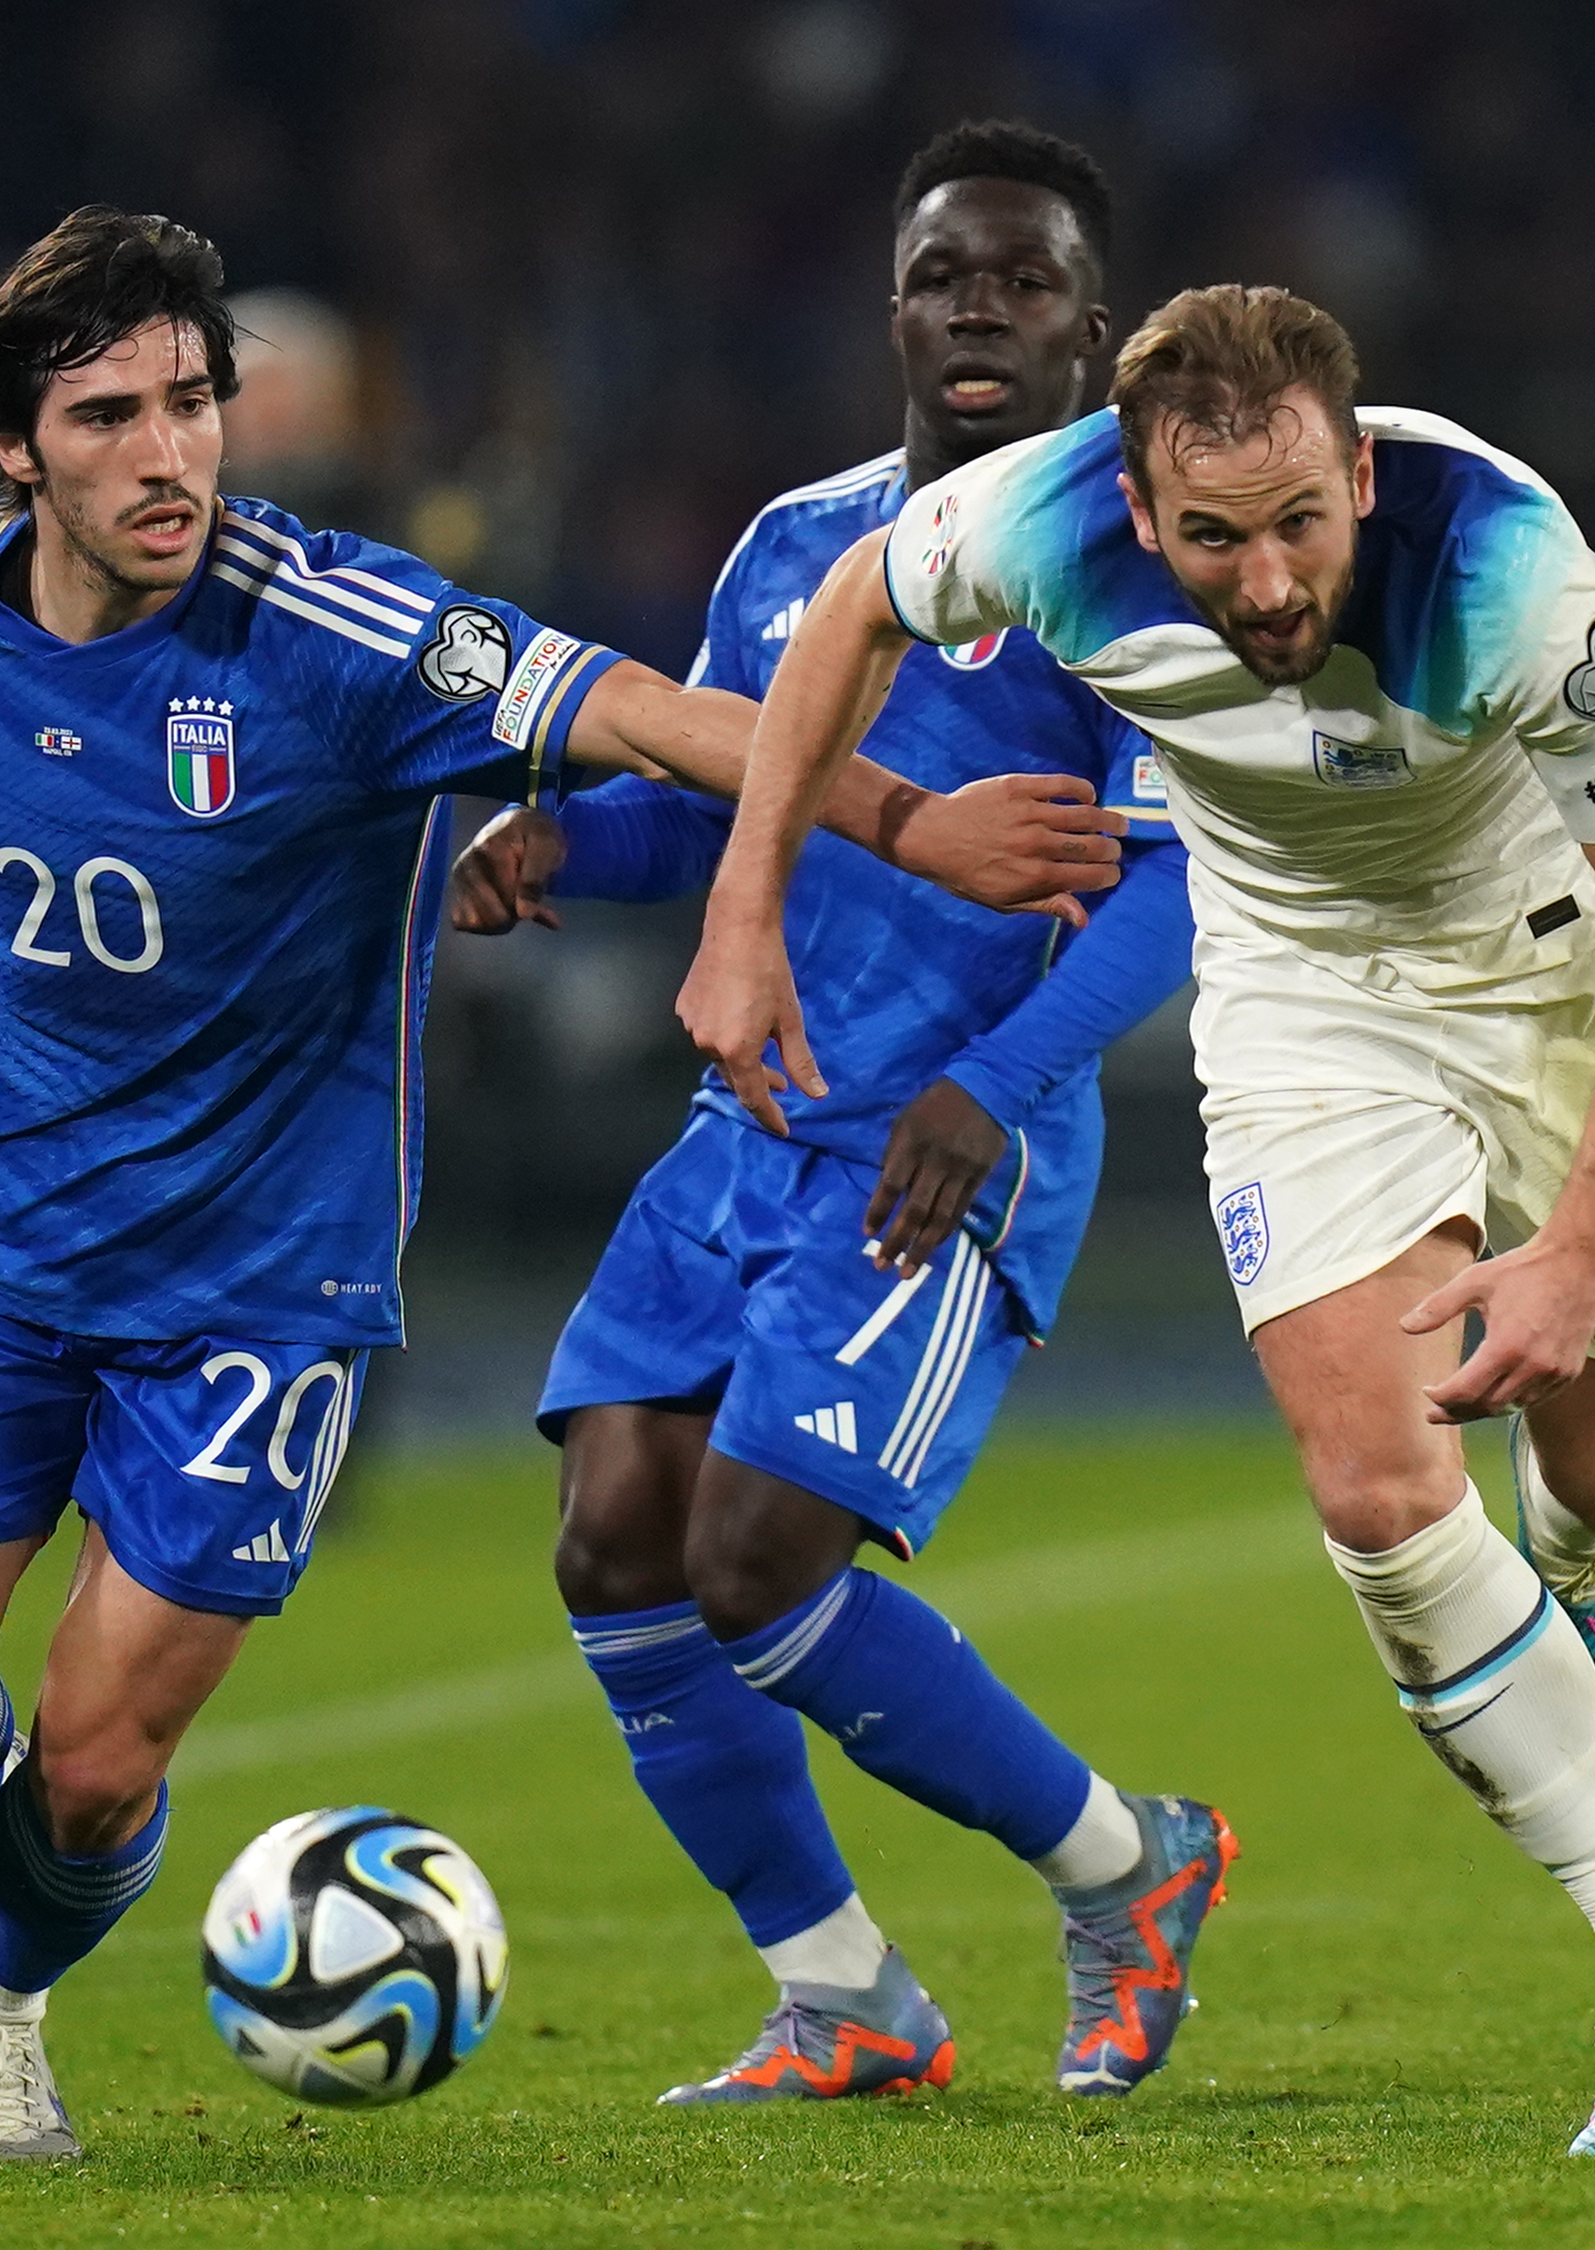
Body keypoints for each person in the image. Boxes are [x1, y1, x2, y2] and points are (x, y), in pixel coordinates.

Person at [0, 205, 1124, 2164]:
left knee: (89, 1776)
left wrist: (901, 817)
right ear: (18, 451)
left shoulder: (340, 630)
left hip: (259, 1291)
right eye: (111, 418)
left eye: (194, 406)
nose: (171, 456)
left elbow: (659, 721)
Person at [675, 284, 1595, 2155]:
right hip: (1298, 982)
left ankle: (1584, 1557)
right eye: (1209, 538)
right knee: (1373, 1480)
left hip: (1555, 970)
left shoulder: (1514, 579)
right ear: (1131, 497)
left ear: (1357, 471)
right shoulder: (1033, 520)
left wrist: (1577, 1249)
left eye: (1296, 527)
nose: (1262, 585)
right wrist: (743, 904)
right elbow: (853, 605)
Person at [446, 122, 1227, 2108]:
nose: (979, 311)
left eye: (1024, 279)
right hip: (752, 1121)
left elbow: (1168, 889)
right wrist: (564, 845)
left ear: (1094, 327)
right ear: (891, 305)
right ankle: (844, 1998)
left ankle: (1128, 1869)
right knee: (614, 1535)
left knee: (754, 1556)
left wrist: (992, 1084)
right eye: (944, 274)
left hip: (943, 1143)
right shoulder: (792, 548)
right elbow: (732, 802)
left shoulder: (1130, 567)